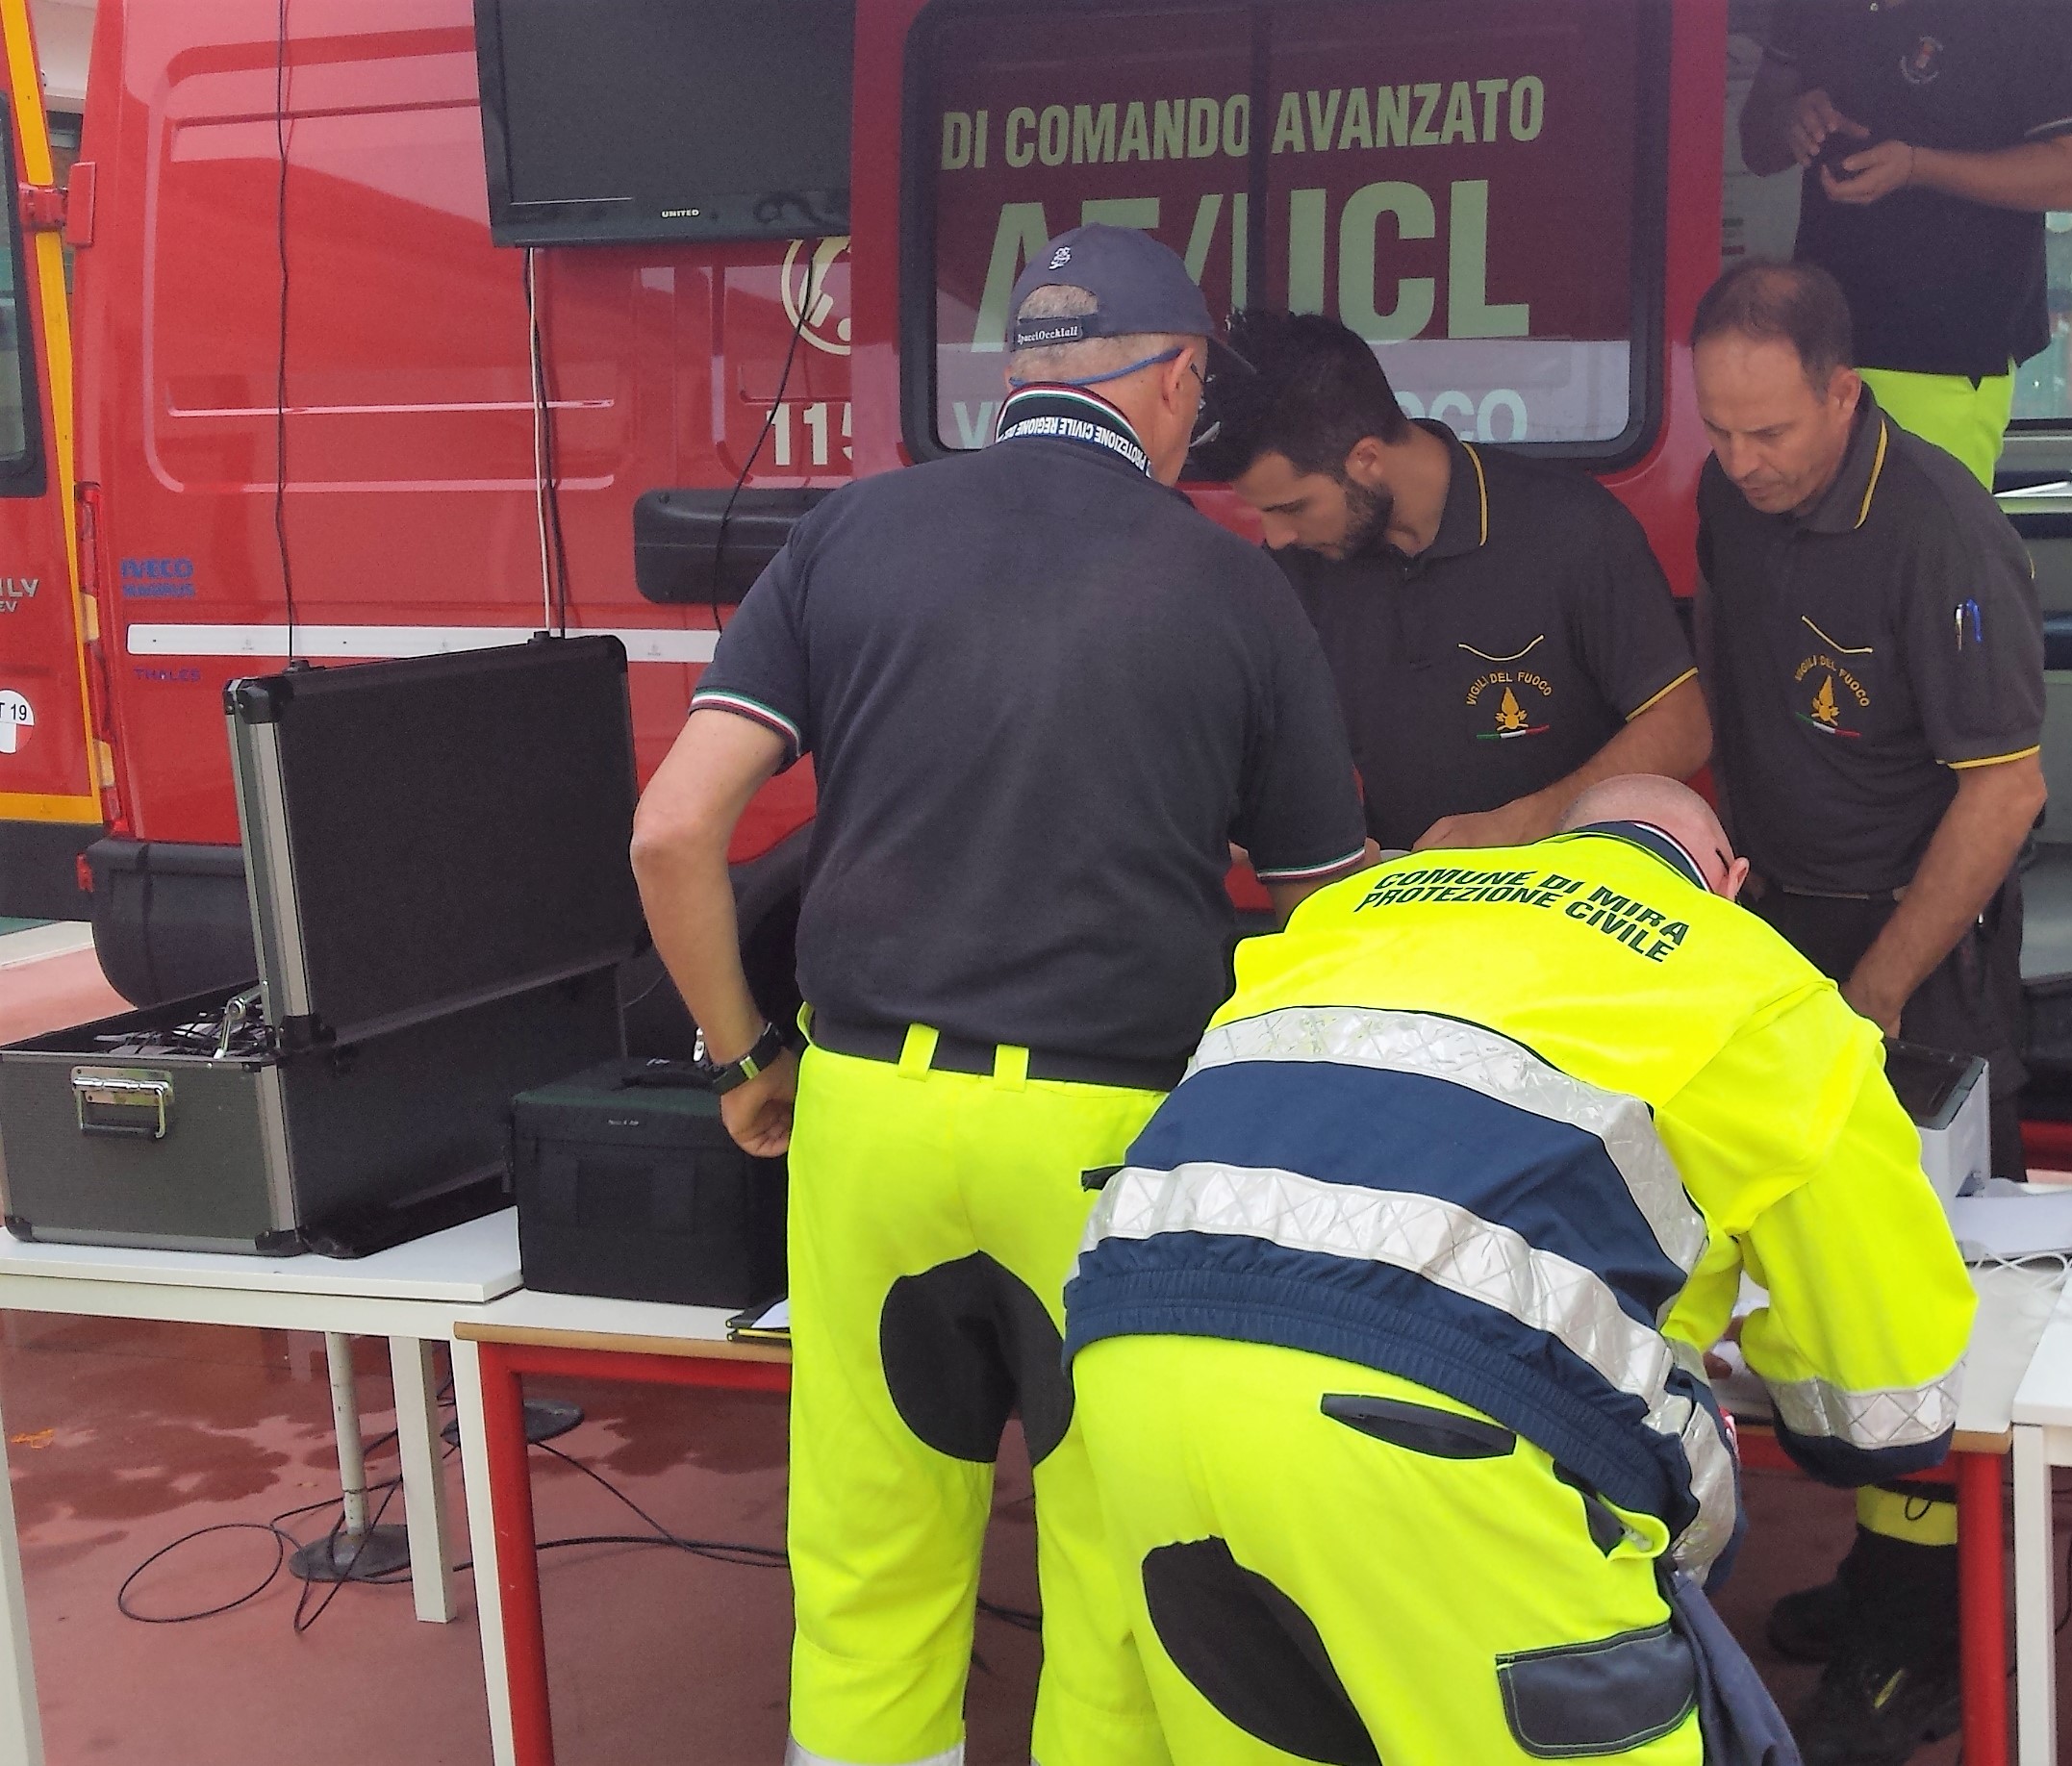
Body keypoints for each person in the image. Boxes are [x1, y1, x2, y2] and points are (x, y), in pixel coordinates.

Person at [628, 223, 1372, 1766]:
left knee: (870, 1552)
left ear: (1022, 372)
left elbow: (674, 831)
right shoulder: (1236, 587)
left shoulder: (849, 533)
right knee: (1114, 1565)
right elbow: (1326, 907)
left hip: (866, 1117)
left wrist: (744, 1058)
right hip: (1109, 1143)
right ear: (1177, 380)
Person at [1053, 774, 1979, 1765]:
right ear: (1731, 880)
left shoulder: (1362, 906)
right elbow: (1888, 1395)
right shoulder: (1765, 980)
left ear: (1550, 848)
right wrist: (1769, 1362)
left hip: (1132, 1350)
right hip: (1450, 1416)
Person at [1688, 256, 2046, 1765]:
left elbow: (2005, 790)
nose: (1740, 462)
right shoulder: (1734, 498)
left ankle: (1921, 1633)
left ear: (1844, 393)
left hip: (1914, 953)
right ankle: (1880, 1564)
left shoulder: (1941, 529)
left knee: (1912, 1289)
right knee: (1795, 1268)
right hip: (1779, 930)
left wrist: (1880, 988)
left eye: (1769, 431)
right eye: (1718, 430)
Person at [1196, 308, 1712, 851]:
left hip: (1575, 891)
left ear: (1366, 459)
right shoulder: (1294, 570)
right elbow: (1251, 754)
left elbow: (1682, 726)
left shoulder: (1572, 529)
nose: (1276, 537)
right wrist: (1300, 840)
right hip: (1406, 893)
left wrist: (1527, 823)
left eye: (1292, 507)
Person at [1736, 0, 2072, 483]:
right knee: (1808, 530)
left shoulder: (2031, 10)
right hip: (1812, 343)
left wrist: (1916, 167)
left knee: (1925, 530)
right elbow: (1755, 146)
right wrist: (1790, 119)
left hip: (1943, 352)